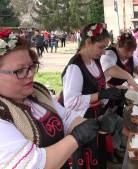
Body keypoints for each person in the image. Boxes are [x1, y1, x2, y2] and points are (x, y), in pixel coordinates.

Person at [0, 28, 117, 169]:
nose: (30, 74)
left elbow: (66, 117)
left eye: (32, 66)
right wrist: (76, 137)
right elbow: (34, 164)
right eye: (20, 70)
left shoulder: (37, 93)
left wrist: (98, 124)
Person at [61, 23, 123, 169]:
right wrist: (100, 95)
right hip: (82, 125)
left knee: (99, 158)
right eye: (101, 47)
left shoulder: (94, 61)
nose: (103, 53)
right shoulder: (75, 67)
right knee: (89, 160)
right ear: (88, 42)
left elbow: (99, 84)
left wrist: (114, 90)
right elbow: (71, 102)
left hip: (96, 121)